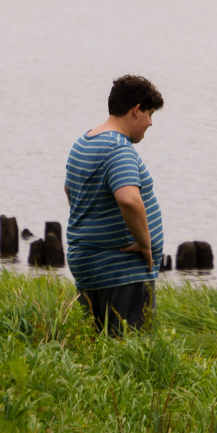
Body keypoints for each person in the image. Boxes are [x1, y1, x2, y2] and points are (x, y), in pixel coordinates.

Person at [65, 75, 165, 335]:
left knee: (98, 351)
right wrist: (145, 243)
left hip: (89, 264)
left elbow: (69, 190)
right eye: (150, 114)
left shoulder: (83, 142)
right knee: (129, 355)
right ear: (136, 110)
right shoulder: (119, 148)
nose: (151, 123)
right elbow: (129, 200)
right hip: (121, 271)